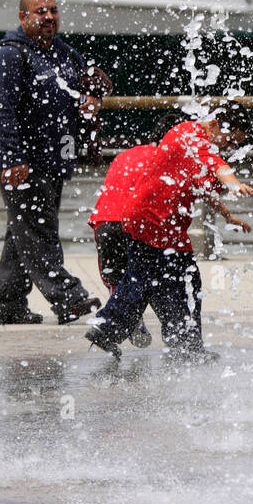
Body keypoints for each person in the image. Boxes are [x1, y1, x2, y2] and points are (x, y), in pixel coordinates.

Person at [84, 107, 253, 360]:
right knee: (180, 281)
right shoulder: (189, 134)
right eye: (229, 140)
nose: (228, 147)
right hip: (151, 220)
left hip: (163, 225)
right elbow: (216, 165)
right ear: (216, 124)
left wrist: (227, 215)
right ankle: (185, 344)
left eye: (234, 144)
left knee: (147, 280)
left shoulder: (192, 146)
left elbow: (203, 186)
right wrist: (234, 183)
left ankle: (109, 330)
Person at [0, 0, 104, 325]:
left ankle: (8, 305)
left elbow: (82, 95)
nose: (49, 17)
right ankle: (68, 298)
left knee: (23, 231)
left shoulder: (68, 55)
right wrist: (11, 158)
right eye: (40, 12)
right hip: (21, 162)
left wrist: (91, 100)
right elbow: (2, 111)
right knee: (39, 232)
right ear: (23, 17)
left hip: (55, 160)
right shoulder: (8, 56)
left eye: (53, 11)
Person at [88, 139, 162, 349]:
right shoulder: (166, 157)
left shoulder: (124, 155)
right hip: (134, 221)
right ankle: (179, 336)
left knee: (116, 281)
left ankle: (112, 332)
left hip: (104, 220)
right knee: (151, 277)